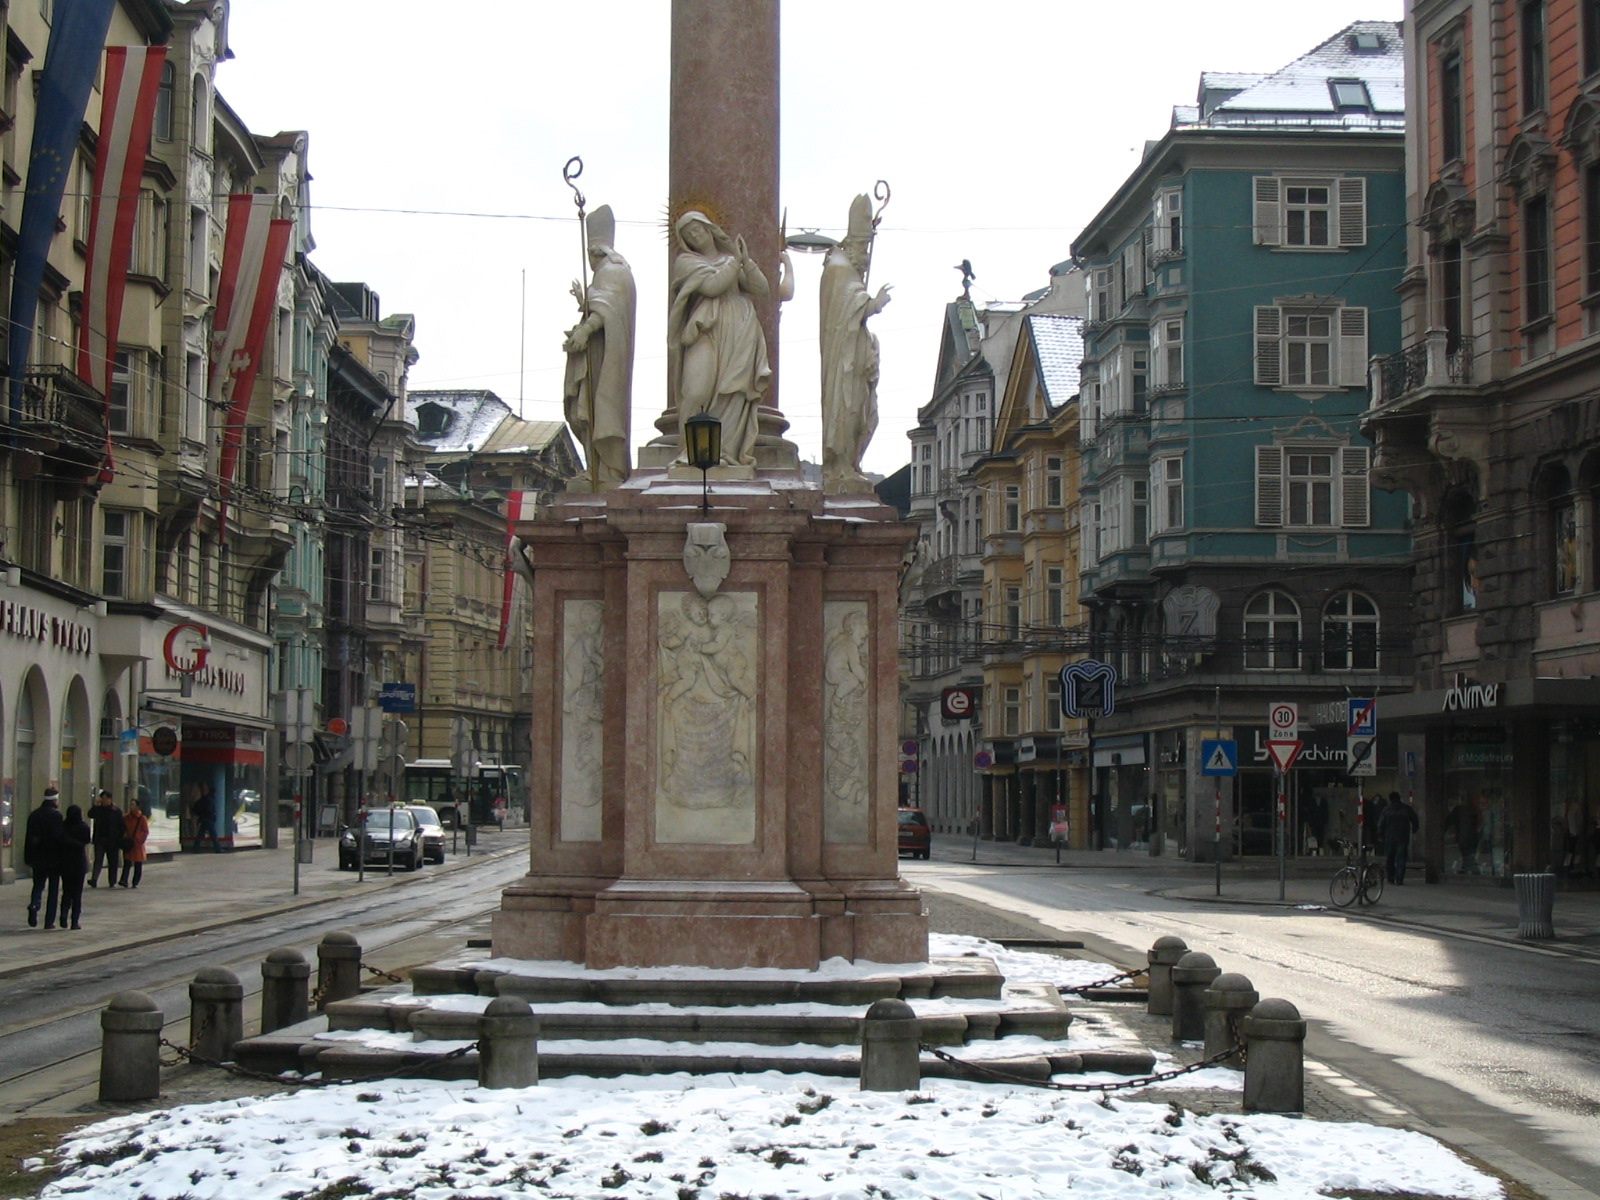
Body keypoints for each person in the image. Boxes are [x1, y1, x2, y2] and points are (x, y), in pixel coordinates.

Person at [667, 210, 780, 469]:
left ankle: (725, 451)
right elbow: (712, 287)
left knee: (734, 390)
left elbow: (762, 289)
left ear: (709, 228)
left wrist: (746, 261)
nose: (695, 236)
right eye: (689, 235)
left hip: (740, 326)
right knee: (695, 390)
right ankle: (690, 451)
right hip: (705, 327)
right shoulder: (686, 261)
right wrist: (735, 262)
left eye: (698, 229)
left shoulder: (731, 259)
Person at [819, 194, 891, 494]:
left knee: (863, 413)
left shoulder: (847, 271)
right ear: (850, 245)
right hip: (843, 362)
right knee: (846, 409)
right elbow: (843, 312)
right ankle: (842, 467)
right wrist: (873, 304)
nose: (866, 256)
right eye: (862, 247)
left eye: (867, 248)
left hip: (856, 360)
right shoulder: (838, 269)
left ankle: (851, 464)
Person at [562, 203, 636, 492]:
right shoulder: (607, 272)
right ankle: (596, 468)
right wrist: (585, 304)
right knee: (586, 411)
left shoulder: (613, 271)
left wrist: (586, 329)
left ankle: (606, 471)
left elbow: (610, 308)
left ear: (596, 251)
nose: (589, 260)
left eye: (590, 253)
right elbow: (604, 306)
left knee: (599, 410)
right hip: (598, 353)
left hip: (605, 361)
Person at [23, 786, 64, 928]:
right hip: (53, 858)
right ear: (55, 800)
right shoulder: (57, 816)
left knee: (38, 885)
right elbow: (59, 838)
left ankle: (34, 904)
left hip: (38, 857)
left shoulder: (34, 815)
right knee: (53, 889)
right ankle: (49, 921)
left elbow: (29, 838)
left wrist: (28, 857)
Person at [56, 804, 91, 930]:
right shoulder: (83, 827)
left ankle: (63, 916)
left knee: (66, 891)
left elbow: (59, 840)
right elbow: (87, 840)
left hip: (66, 863)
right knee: (77, 893)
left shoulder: (63, 826)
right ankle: (74, 921)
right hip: (79, 863)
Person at [1380, 791, 1419, 884]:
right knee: (1401, 858)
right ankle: (1399, 878)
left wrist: (1380, 834)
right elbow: (1415, 819)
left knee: (1390, 858)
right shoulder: (1406, 808)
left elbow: (1381, 823)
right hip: (1403, 837)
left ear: (1390, 799)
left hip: (1390, 837)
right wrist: (1414, 829)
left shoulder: (1386, 810)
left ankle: (1390, 878)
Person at [87, 788, 123, 888]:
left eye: (105, 798)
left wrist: (119, 837)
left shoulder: (116, 811)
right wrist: (95, 805)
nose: (103, 800)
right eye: (102, 798)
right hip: (100, 839)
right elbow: (90, 814)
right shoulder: (98, 809)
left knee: (112, 861)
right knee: (98, 860)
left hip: (112, 840)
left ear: (110, 799)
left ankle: (112, 881)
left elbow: (121, 825)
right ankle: (94, 879)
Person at [118, 798, 149, 888]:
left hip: (137, 844)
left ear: (137, 806)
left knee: (137, 863)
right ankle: (124, 880)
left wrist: (139, 839)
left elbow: (145, 831)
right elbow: (121, 828)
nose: (130, 806)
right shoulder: (126, 818)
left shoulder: (142, 818)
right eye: (130, 804)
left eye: (133, 804)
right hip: (128, 842)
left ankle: (135, 881)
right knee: (127, 862)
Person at [193, 783, 220, 852]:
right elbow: (209, 810)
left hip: (204, 819)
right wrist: (212, 816)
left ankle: (196, 848)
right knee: (213, 835)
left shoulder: (204, 799)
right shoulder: (209, 800)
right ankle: (218, 849)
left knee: (200, 834)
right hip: (208, 819)